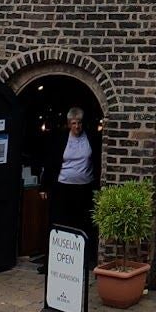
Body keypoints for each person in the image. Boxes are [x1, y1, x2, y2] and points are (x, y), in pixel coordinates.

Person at [41, 106, 101, 267]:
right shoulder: (61, 140)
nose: (77, 126)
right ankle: (54, 261)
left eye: (79, 123)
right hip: (63, 187)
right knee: (60, 223)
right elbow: (51, 162)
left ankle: (84, 261)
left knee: (83, 224)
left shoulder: (91, 138)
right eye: (74, 123)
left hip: (84, 188)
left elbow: (97, 161)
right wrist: (44, 186)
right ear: (69, 124)